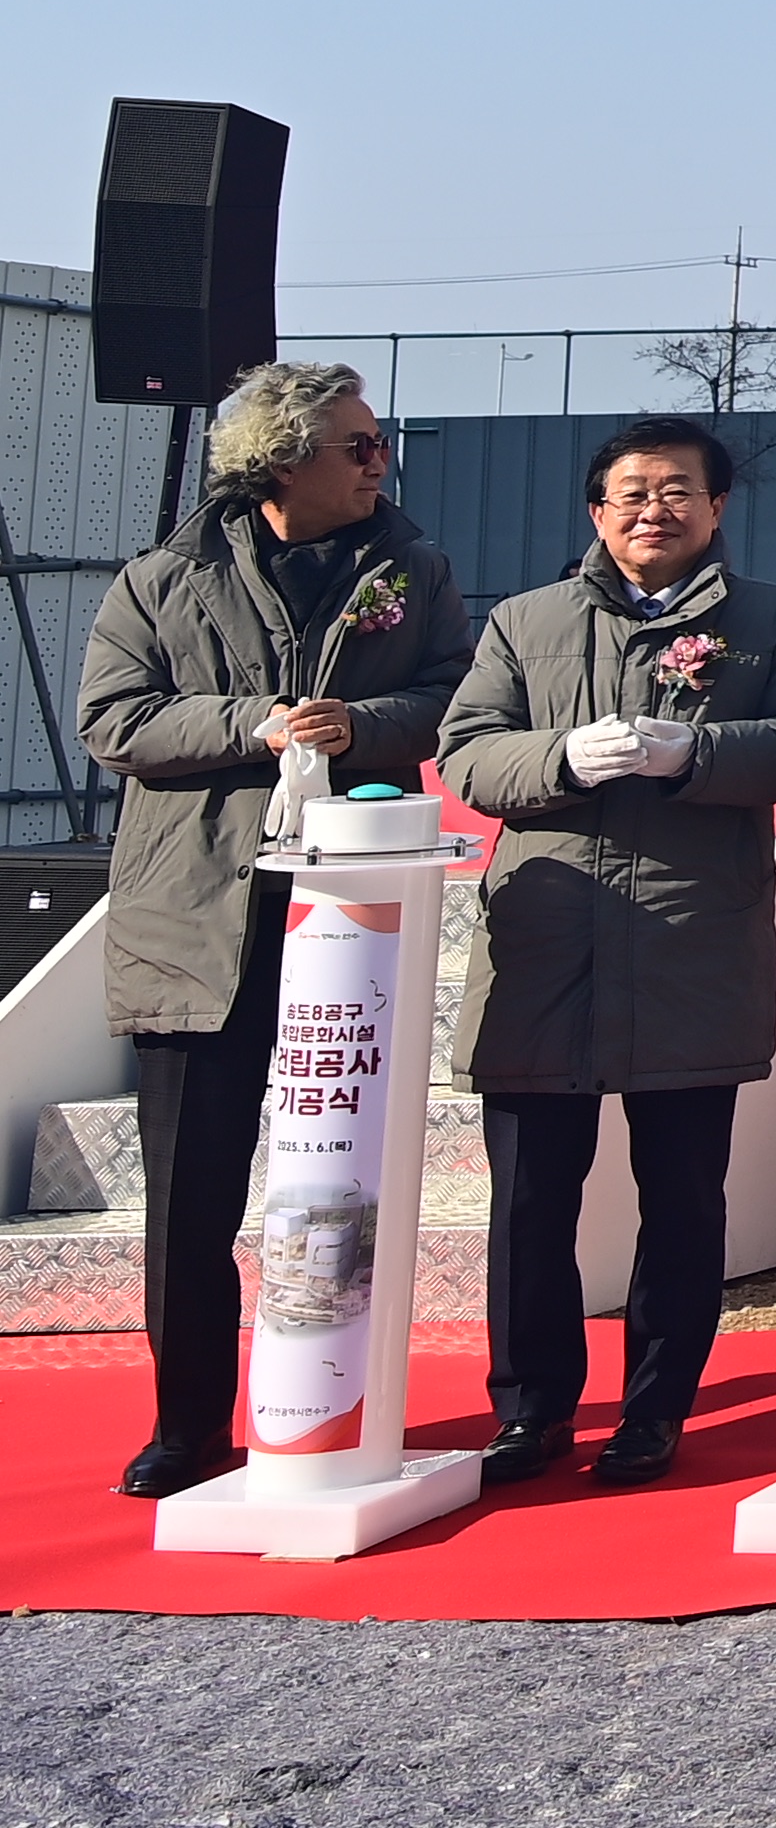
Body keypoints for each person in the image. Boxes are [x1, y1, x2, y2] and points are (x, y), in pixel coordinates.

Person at [73, 359, 470, 1500]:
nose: (376, 460)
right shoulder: (161, 577)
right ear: (278, 457)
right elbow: (113, 719)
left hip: (351, 919)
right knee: (191, 1194)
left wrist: (357, 725)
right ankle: (185, 1420)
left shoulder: (416, 567)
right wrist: (255, 724)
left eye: (377, 440)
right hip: (198, 918)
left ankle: (342, 1399)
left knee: (346, 1176)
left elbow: (451, 697)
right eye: (354, 444)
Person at [434, 416, 776, 1485]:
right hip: (545, 954)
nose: (652, 509)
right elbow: (466, 754)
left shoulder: (771, 619)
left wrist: (695, 752)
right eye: (630, 491)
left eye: (677, 490)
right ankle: (530, 1409)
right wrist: (562, 757)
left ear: (717, 509)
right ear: (595, 511)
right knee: (531, 1200)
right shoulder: (525, 623)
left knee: (681, 1199)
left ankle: (656, 1409)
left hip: (689, 947)